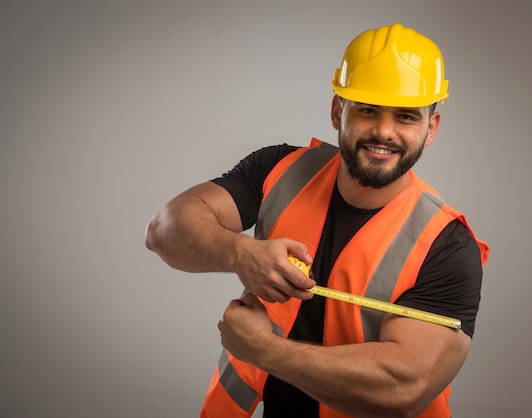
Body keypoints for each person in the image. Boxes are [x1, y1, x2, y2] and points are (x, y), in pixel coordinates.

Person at [145, 22, 489, 418]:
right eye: (367, 109)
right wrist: (240, 253)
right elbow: (163, 229)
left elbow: (402, 389)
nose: (383, 131)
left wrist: (265, 351)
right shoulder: (279, 170)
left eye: (406, 117)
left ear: (431, 129)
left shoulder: (446, 245)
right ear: (337, 110)